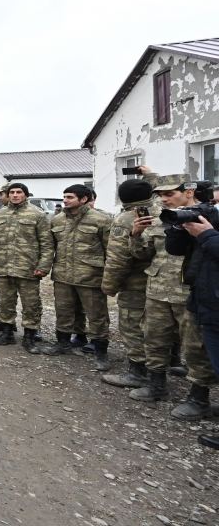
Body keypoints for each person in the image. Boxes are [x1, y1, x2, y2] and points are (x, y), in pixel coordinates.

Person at [129, 175, 218, 419]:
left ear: (189, 192)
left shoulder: (209, 218)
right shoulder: (162, 219)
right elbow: (142, 254)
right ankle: (156, 385)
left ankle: (199, 398)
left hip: (190, 293)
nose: (164, 199)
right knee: (153, 337)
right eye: (160, 195)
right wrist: (135, 234)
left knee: (195, 348)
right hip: (158, 289)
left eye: (169, 194)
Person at [165, 193, 219, 448]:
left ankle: (200, 397)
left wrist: (209, 235)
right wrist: (179, 227)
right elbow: (174, 250)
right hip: (203, 294)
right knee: (197, 348)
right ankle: (200, 399)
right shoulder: (206, 217)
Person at [39, 184, 113, 368]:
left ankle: (100, 352)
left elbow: (111, 250)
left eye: (70, 197)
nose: (65, 200)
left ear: (84, 199)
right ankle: (63, 343)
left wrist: (110, 277)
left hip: (90, 276)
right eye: (64, 197)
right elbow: (50, 247)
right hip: (63, 276)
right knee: (63, 311)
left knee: (97, 315)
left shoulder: (101, 220)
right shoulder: (57, 220)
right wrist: (45, 268)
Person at [0, 182, 53, 350]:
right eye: (12, 192)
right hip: (3, 267)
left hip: (28, 268)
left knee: (31, 304)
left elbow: (47, 243)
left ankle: (29, 336)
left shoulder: (37, 215)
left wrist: (43, 266)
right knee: (6, 302)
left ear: (26, 195)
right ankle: (7, 333)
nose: (15, 195)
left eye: (19, 192)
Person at [101, 178, 155, 389]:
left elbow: (118, 257)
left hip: (136, 284)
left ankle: (138, 372)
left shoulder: (127, 219)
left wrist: (109, 286)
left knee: (132, 326)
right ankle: (166, 365)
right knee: (160, 327)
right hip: (164, 283)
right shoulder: (164, 212)